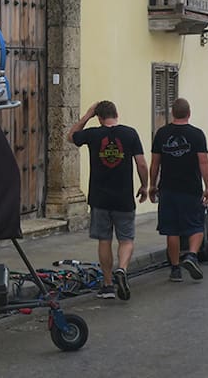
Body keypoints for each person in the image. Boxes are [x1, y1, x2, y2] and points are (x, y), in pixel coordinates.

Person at [67, 100, 149, 300]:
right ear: (116, 113)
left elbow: (71, 136)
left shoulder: (93, 134)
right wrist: (144, 185)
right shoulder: (130, 133)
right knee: (126, 239)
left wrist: (86, 115)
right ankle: (122, 269)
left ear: (99, 117)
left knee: (104, 240)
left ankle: (107, 284)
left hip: (100, 198)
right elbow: (141, 164)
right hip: (123, 197)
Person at [148, 97, 208, 282]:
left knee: (172, 230)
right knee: (196, 225)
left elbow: (155, 163)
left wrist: (152, 185)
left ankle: (175, 269)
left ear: (172, 113)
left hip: (167, 189)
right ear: (189, 113)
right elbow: (204, 162)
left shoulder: (161, 133)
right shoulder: (197, 135)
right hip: (191, 188)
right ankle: (191, 255)